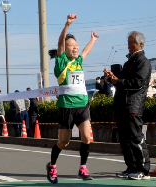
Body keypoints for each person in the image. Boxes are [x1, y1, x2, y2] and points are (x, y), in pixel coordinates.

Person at [46, 14, 99, 183]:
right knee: (64, 141)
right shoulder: (61, 62)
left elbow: (86, 51)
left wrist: (93, 40)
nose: (75, 48)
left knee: (86, 137)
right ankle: (52, 165)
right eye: (71, 46)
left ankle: (83, 167)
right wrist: (67, 25)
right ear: (65, 49)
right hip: (66, 106)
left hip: (82, 104)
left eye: (76, 45)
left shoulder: (79, 61)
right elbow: (61, 43)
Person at [104, 31, 151, 180]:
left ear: (140, 44)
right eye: (129, 43)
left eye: (132, 43)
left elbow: (138, 83)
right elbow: (122, 82)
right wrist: (113, 78)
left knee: (135, 137)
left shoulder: (143, 62)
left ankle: (143, 169)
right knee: (124, 139)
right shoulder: (129, 62)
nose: (129, 46)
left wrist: (119, 81)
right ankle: (131, 167)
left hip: (133, 105)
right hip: (122, 104)